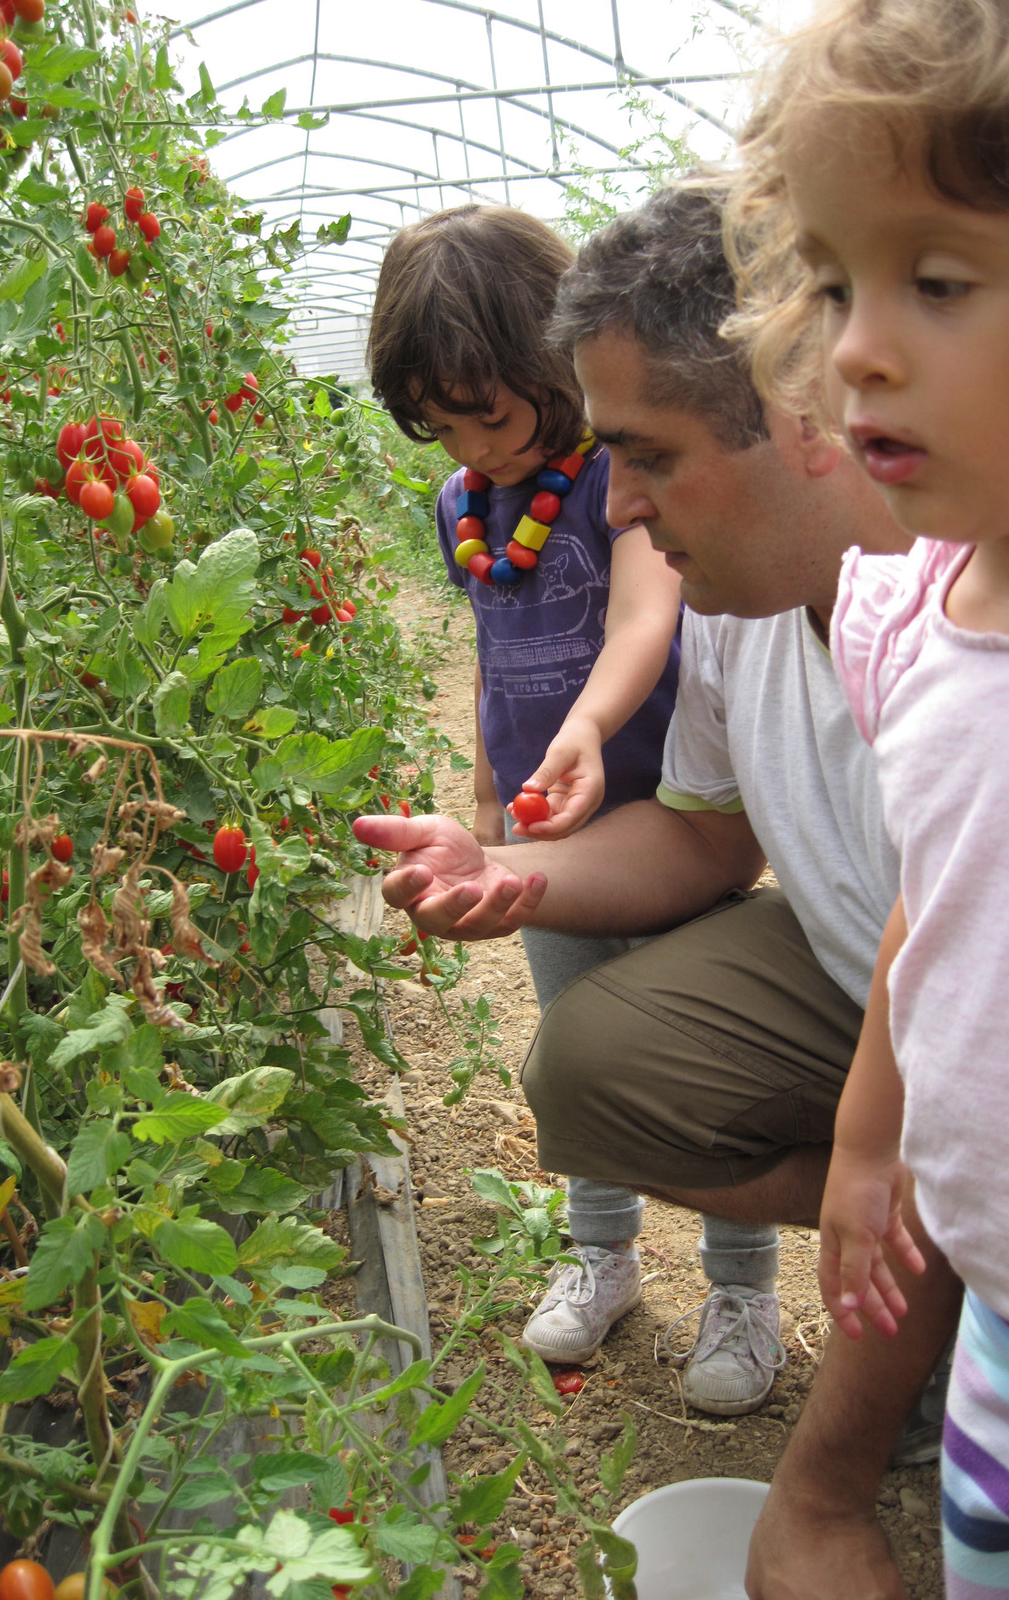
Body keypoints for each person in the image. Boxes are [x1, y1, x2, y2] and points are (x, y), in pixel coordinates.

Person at [359, 176, 961, 1600]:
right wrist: (507, 869)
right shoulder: (746, 605)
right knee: (591, 1072)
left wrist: (817, 1483)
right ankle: (946, 1261)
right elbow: (700, 840)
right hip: (854, 980)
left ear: (802, 418)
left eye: (644, 454)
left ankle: (962, 1276)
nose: (611, 504)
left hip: (996, 1048)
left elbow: (965, 1001)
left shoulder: (977, 626)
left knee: (961, 1150)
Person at [728, 1, 1009, 1595]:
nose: (856, 347)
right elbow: (937, 910)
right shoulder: (913, 620)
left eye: (937, 282)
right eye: (832, 282)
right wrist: (869, 1136)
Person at [367, 205, 683, 1361]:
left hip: (660, 815)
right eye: (441, 427)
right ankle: (602, 1256)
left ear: (549, 363)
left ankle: (743, 1289)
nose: (472, 449)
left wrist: (593, 726)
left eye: (487, 414)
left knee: (706, 1073)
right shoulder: (462, 509)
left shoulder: (621, 476)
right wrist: (490, 796)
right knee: (577, 1050)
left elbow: (647, 617)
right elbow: (495, 657)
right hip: (550, 831)